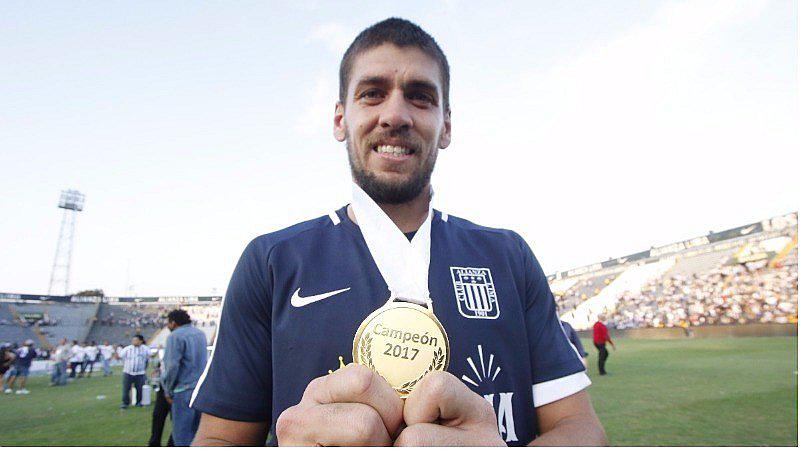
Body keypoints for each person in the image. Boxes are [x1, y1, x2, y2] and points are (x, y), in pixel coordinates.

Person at [190, 18, 606, 446]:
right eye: (372, 94)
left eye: (420, 98)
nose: (395, 115)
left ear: (445, 126)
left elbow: (579, 426)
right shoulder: (272, 261)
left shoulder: (508, 255)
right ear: (340, 119)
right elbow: (218, 439)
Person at [160, 309, 208, 446]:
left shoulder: (175, 336)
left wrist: (167, 390)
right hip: (200, 390)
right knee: (198, 434)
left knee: (182, 436)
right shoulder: (200, 334)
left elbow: (171, 366)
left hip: (183, 390)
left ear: (173, 323)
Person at [118, 334, 150, 409]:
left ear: (140, 341)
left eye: (136, 340)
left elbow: (151, 355)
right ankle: (125, 403)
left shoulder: (145, 349)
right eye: (133, 340)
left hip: (140, 373)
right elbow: (120, 356)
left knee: (139, 388)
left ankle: (139, 402)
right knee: (126, 389)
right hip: (128, 372)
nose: (134, 342)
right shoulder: (127, 349)